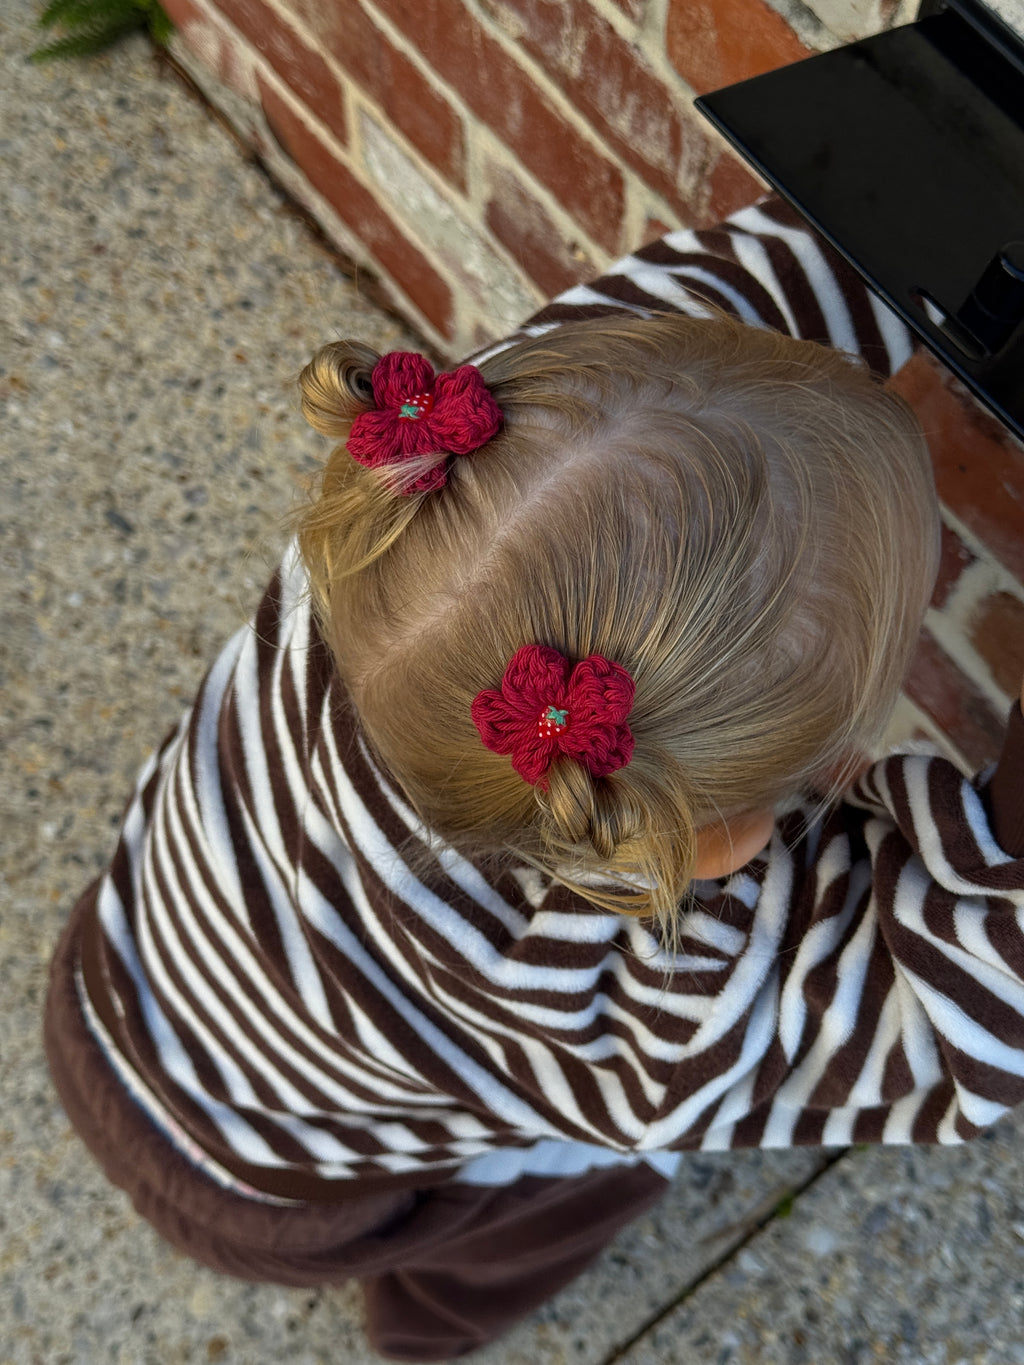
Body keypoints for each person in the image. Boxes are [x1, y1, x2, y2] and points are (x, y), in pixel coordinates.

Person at [45, 196, 1024, 1362]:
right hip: (287, 1192)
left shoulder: (426, 517)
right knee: (590, 1172)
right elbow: (952, 1026)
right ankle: (427, 1330)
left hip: (114, 982)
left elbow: (754, 278)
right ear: (717, 844)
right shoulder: (626, 1006)